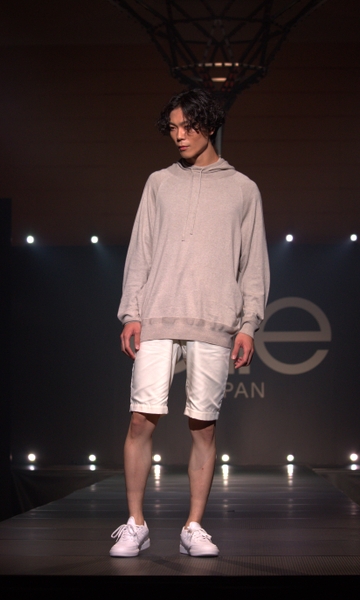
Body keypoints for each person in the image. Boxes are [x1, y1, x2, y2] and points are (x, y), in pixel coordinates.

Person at [110, 88, 269, 558]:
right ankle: (135, 524)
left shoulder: (243, 188)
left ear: (210, 126)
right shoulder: (159, 182)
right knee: (141, 419)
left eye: (188, 127)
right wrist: (132, 312)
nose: (179, 136)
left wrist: (249, 324)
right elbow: (140, 250)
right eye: (173, 128)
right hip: (158, 314)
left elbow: (253, 263)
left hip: (215, 317)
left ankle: (193, 526)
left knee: (203, 426)